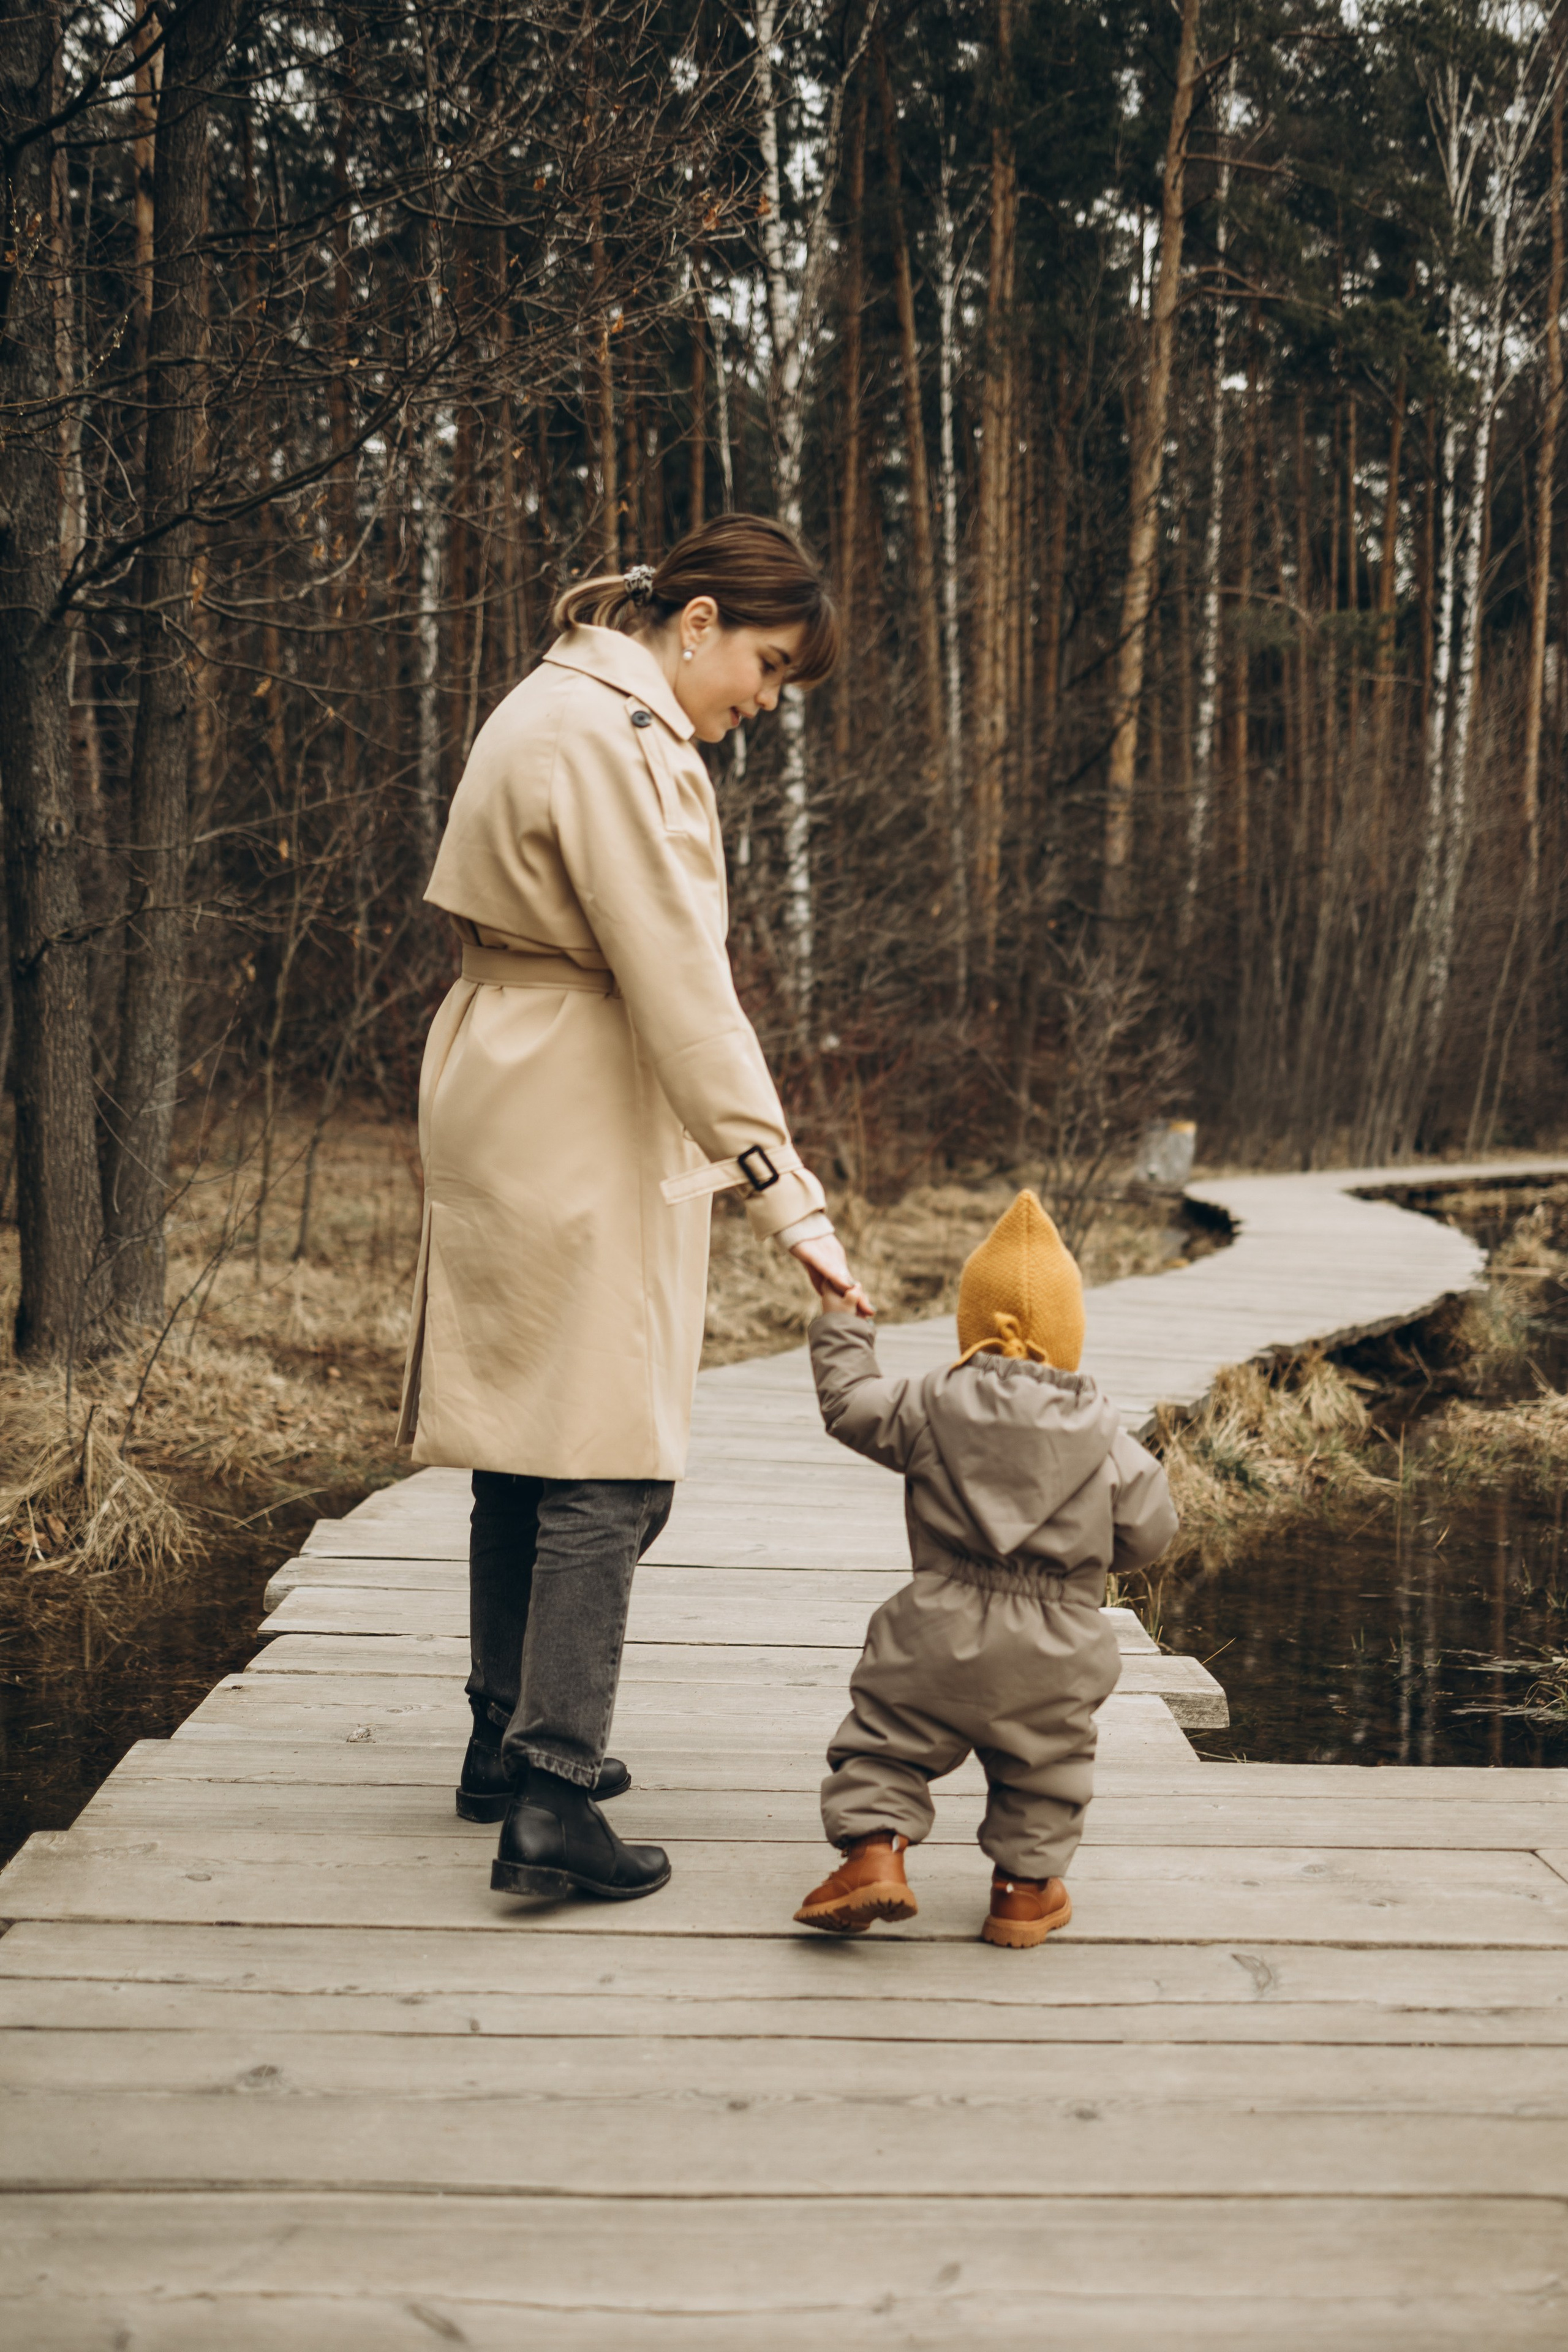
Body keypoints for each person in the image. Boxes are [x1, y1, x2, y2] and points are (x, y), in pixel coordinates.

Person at [397, 514, 873, 1907]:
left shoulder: (549, 695)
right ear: (700, 620)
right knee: (610, 1454)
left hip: (503, 1059)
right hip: (572, 1084)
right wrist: (786, 1189)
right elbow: (681, 985)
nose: (763, 704)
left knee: (525, 1435)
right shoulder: (618, 737)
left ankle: (498, 1732)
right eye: (768, 669)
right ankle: (553, 1788)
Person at [792, 1190, 1176, 1947]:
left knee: (887, 1742)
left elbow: (848, 1403)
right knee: (1046, 1768)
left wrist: (843, 1317)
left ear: (970, 1324)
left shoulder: (930, 1405)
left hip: (935, 1629)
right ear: (1070, 1336)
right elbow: (1150, 1534)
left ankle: (874, 1855)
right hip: (1057, 1646)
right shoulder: (1108, 1443)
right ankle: (1023, 1894)